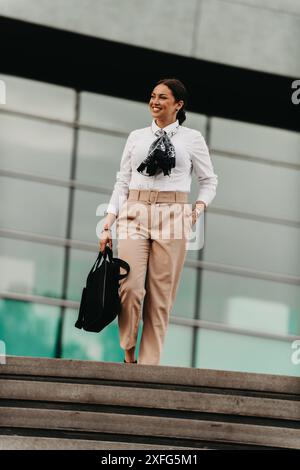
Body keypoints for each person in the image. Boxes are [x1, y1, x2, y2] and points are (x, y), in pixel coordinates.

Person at [99, 78, 218, 365]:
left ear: (178, 104)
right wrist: (109, 219)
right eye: (153, 96)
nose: (155, 101)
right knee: (129, 286)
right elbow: (122, 181)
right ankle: (129, 352)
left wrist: (195, 211)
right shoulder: (137, 137)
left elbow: (209, 181)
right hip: (135, 211)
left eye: (162, 97)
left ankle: (149, 367)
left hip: (173, 215)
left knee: (160, 297)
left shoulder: (192, 139)